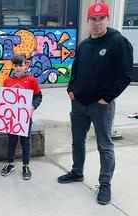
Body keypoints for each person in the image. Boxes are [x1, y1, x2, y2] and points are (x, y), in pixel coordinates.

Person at [57, 1, 133, 205]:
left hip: (101, 106)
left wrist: (106, 98)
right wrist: (70, 90)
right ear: (88, 21)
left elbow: (126, 75)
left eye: (101, 19)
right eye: (94, 19)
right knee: (77, 141)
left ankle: (105, 184)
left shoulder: (118, 42)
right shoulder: (84, 44)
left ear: (107, 19)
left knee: (104, 146)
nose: (97, 23)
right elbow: (75, 69)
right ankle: (77, 172)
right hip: (79, 104)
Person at [0, 54, 42, 180]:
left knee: (25, 142)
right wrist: (0, 108)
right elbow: (4, 98)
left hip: (25, 117)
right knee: (11, 141)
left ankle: (26, 165)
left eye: (21, 65)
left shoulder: (31, 80)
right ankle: (10, 164)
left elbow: (38, 96)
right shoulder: (7, 81)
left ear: (26, 66)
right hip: (11, 118)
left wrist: (32, 108)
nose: (18, 68)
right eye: (16, 65)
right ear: (13, 66)